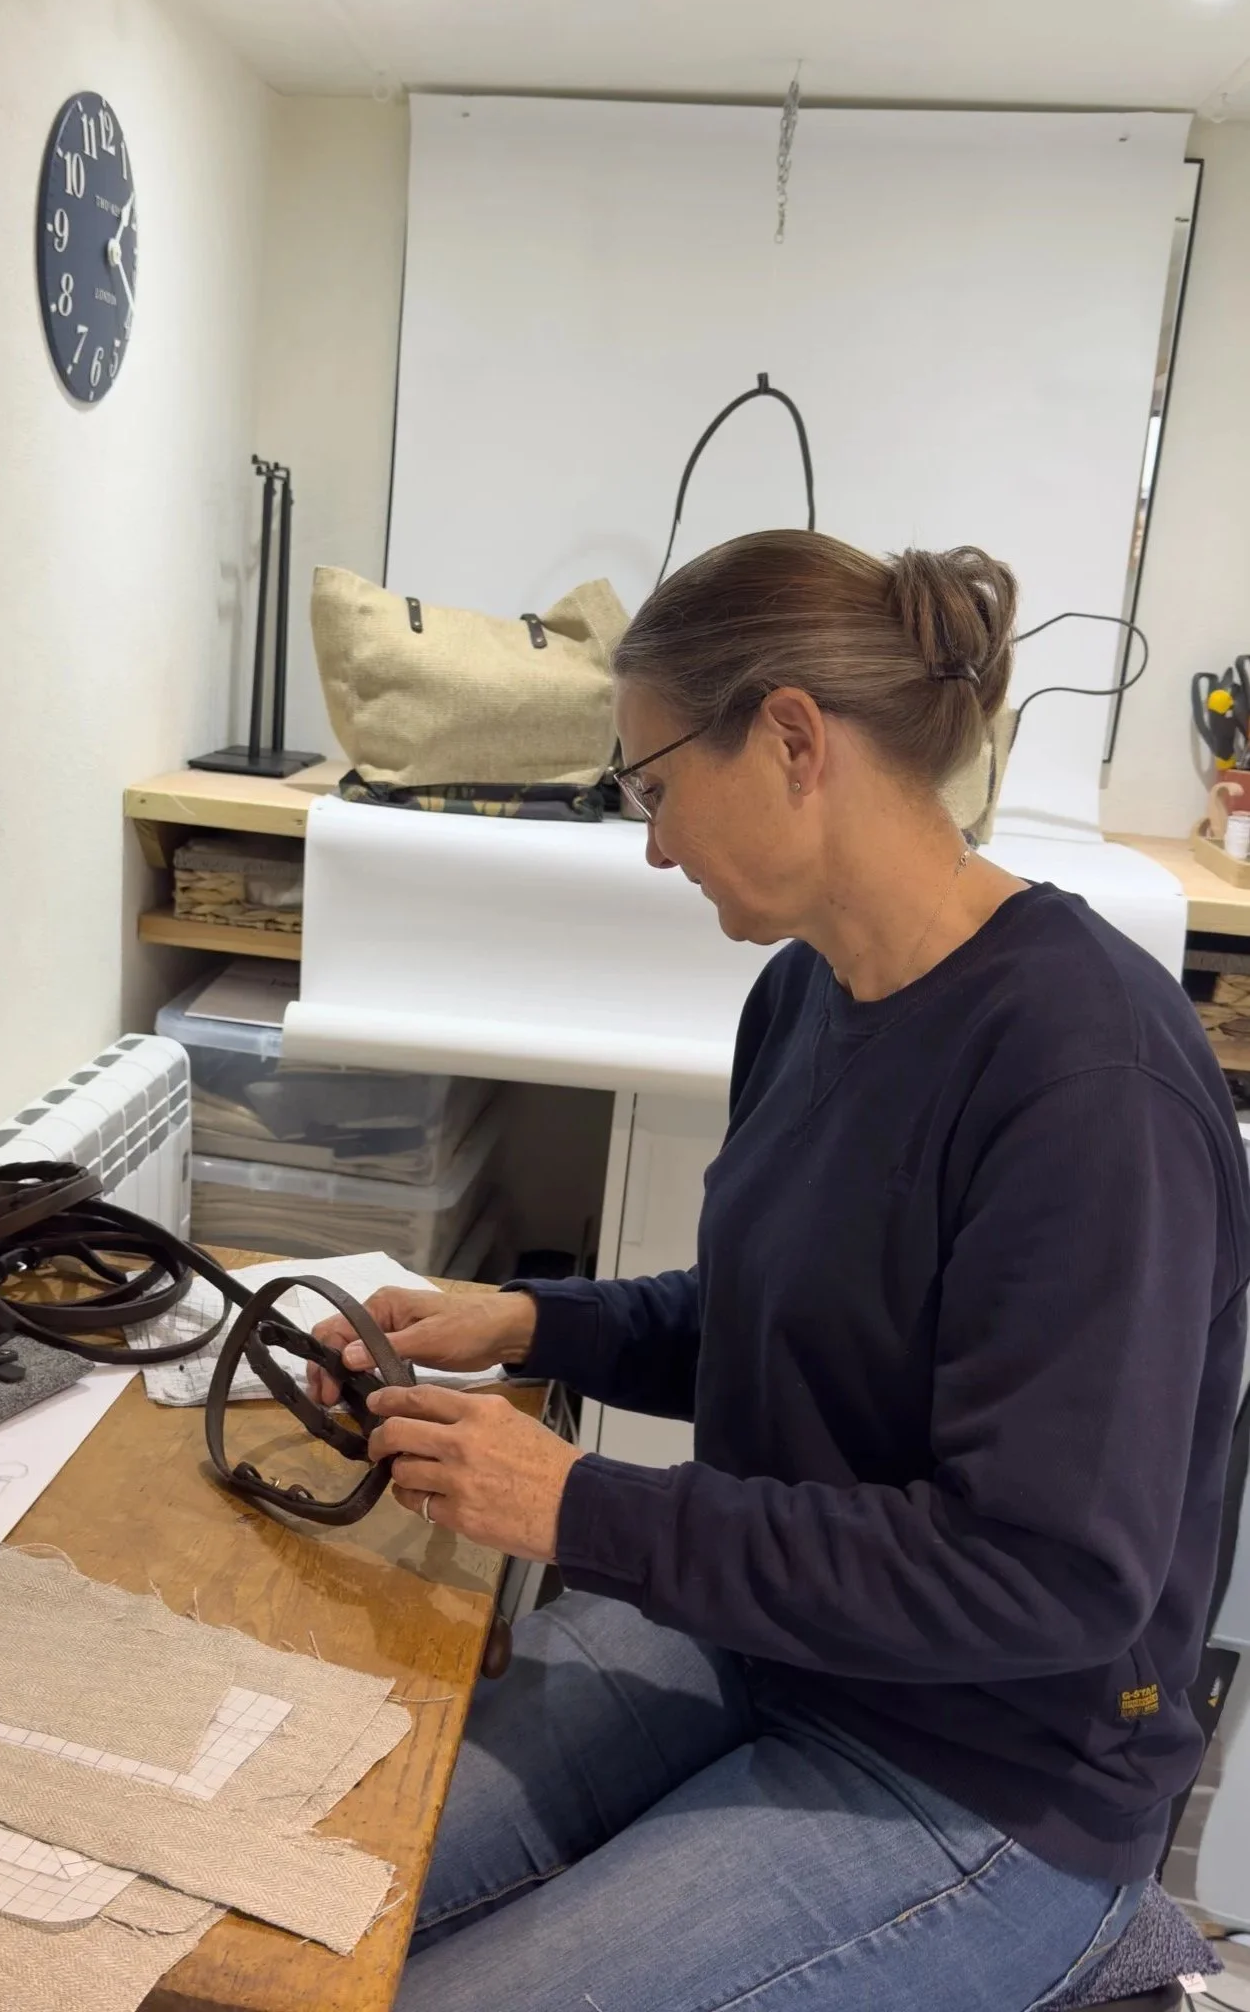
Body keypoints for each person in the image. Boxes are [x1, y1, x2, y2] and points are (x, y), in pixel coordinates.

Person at [309, 530, 1250, 2012]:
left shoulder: (1086, 1084)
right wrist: (530, 1323)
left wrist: (580, 1507)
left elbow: (1048, 1575)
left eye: (654, 784)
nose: (654, 842)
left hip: (991, 1775)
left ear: (793, 739)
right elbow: (779, 1322)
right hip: (774, 1641)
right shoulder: (804, 992)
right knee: (304, 1892)